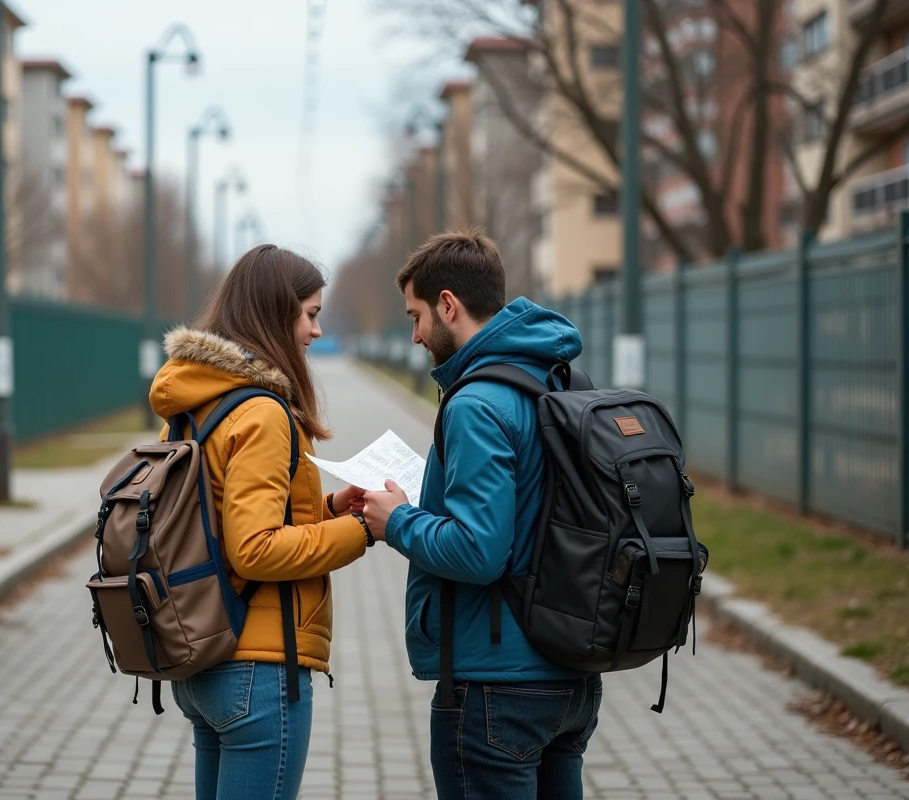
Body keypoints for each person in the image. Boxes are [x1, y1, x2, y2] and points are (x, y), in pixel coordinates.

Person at [361, 229, 601, 800]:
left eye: (417, 315)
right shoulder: (555, 379)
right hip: (568, 676)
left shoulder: (475, 403)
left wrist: (396, 520)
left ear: (449, 305)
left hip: (496, 689)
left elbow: (479, 549)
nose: (415, 335)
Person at [148, 244, 374, 800]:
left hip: (203, 658)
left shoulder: (193, 407)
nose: (315, 331)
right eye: (310, 314)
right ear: (277, 314)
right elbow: (255, 549)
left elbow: (215, 522)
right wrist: (365, 530)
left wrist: (326, 511)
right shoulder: (263, 412)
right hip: (259, 668)